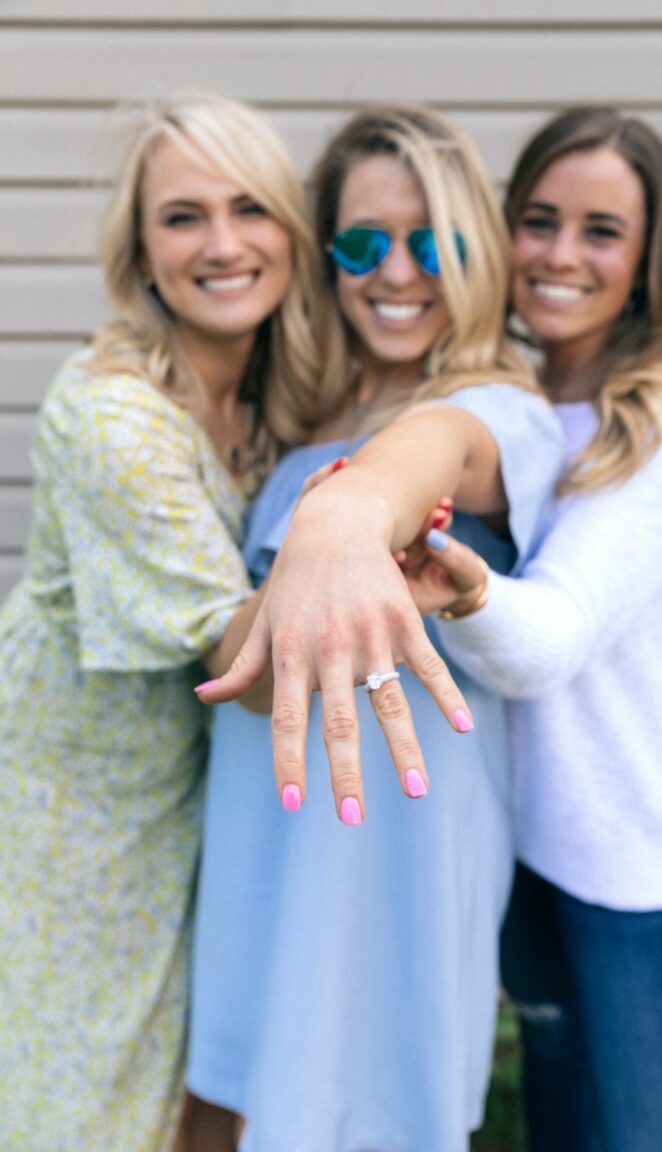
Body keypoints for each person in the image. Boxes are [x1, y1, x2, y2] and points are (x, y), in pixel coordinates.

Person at [186, 104, 564, 1152]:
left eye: (430, 243)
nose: (394, 272)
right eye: (361, 242)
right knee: (229, 1102)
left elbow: (433, 449)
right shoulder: (297, 425)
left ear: (474, 254)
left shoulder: (501, 411)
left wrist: (350, 512)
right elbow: (246, 669)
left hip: (390, 869)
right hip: (264, 850)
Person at [372, 109, 662, 1152]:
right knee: (558, 1125)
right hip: (518, 838)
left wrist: (470, 592)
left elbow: (558, 635)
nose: (560, 255)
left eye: (601, 231)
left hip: (631, 855)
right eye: (539, 220)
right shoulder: (506, 402)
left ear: (647, 256)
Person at [0, 91, 343, 1152]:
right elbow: (235, 651)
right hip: (66, 833)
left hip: (186, 819)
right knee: (72, 1110)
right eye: (184, 216)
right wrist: (357, 556)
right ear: (141, 251)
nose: (223, 243)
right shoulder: (112, 415)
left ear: (292, 231)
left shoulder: (270, 404)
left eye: (251, 208)